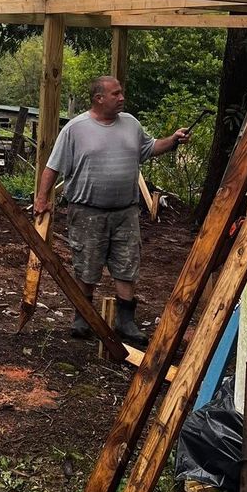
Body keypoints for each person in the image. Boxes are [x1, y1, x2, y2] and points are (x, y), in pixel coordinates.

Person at [33, 75, 188, 347]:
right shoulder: (75, 128)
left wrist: (173, 140)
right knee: (87, 265)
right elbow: (52, 166)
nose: (122, 98)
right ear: (99, 98)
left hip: (126, 212)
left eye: (121, 92)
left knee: (127, 265)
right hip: (87, 211)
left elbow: (150, 148)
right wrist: (42, 198)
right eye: (115, 94)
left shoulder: (131, 124)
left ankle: (125, 321)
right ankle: (83, 316)